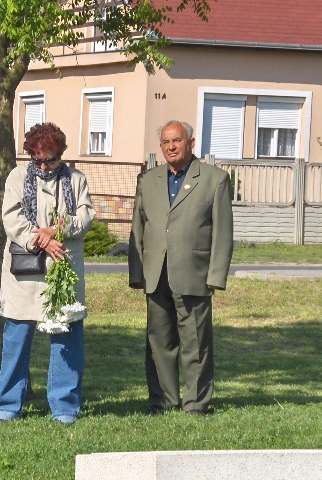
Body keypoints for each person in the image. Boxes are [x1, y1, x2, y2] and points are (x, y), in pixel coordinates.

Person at [0, 122, 96, 424]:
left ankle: (64, 407)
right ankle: (6, 405)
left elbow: (85, 216)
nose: (43, 166)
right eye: (37, 160)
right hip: (24, 273)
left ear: (61, 154)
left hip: (63, 271)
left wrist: (57, 230)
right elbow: (12, 218)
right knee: (16, 339)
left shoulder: (76, 179)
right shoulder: (16, 177)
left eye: (49, 160)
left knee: (66, 340)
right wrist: (43, 240)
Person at [128, 120, 233, 416]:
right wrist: (137, 272)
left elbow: (223, 232)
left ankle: (196, 403)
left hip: (194, 273)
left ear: (191, 143)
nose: (171, 146)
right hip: (155, 273)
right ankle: (162, 400)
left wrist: (216, 275)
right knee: (158, 342)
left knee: (195, 343)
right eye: (165, 142)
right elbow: (138, 227)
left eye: (177, 140)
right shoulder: (147, 180)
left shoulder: (214, 179)